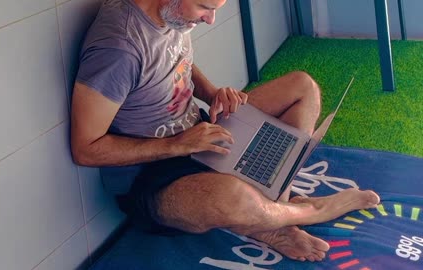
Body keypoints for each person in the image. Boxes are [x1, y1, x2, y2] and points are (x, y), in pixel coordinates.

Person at [70, 0, 380, 262]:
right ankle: (306, 213)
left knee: (303, 86)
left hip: (200, 135)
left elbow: (176, 60)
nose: (210, 19)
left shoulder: (169, 15)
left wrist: (212, 93)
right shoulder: (118, 48)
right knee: (234, 199)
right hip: (152, 178)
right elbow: (86, 148)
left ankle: (272, 210)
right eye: (205, 7)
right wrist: (177, 145)